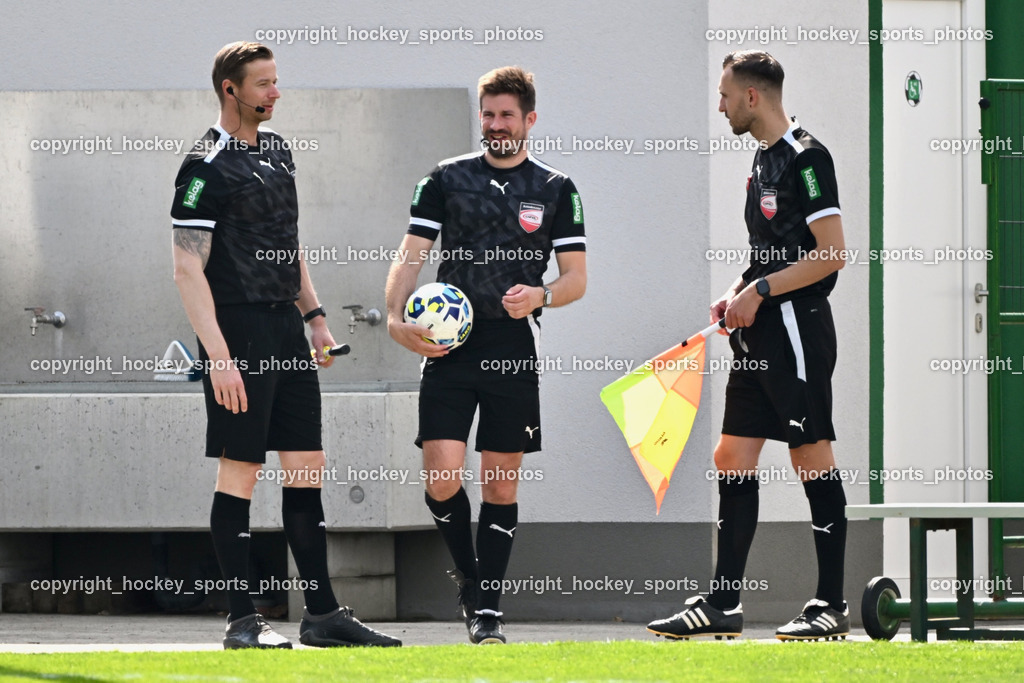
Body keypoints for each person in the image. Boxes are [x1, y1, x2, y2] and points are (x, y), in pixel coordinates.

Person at [171, 41, 400, 649]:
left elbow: (287, 242)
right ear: (231, 89)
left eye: (276, 82)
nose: (276, 93)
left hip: (286, 331)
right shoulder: (203, 164)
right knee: (241, 471)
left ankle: (322, 615)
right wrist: (218, 357)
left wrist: (316, 317)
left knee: (306, 468)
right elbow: (186, 271)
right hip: (237, 333)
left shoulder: (278, 151)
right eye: (264, 84)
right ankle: (242, 622)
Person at [647, 50, 849, 641]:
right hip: (758, 332)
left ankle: (830, 604)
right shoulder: (759, 161)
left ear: (752, 97)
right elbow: (770, 249)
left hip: (796, 330)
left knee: (810, 456)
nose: (720, 105)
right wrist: (737, 289)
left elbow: (831, 255)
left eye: (725, 95)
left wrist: (760, 290)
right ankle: (724, 603)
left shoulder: (809, 160)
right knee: (730, 457)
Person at [385, 66, 587, 644]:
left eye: (507, 115)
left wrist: (541, 294)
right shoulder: (446, 179)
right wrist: (397, 321)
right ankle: (471, 582)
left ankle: (488, 611)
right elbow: (411, 254)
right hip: (449, 348)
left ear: (529, 120)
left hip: (513, 348)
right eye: (489, 114)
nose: (497, 125)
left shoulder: (555, 189)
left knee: (500, 485)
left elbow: (576, 278)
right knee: (443, 478)